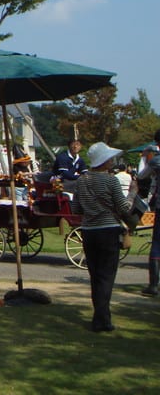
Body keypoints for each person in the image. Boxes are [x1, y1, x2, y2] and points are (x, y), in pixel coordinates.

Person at [72, 142, 133, 332]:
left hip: (89, 230)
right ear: (104, 161)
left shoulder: (81, 180)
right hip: (108, 229)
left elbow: (76, 208)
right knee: (106, 276)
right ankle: (101, 319)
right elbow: (123, 207)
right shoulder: (111, 181)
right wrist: (132, 194)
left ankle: (101, 317)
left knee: (96, 275)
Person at [137, 130, 160, 297]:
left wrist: (144, 157)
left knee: (157, 244)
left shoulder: (156, 160)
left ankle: (153, 285)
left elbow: (141, 175)